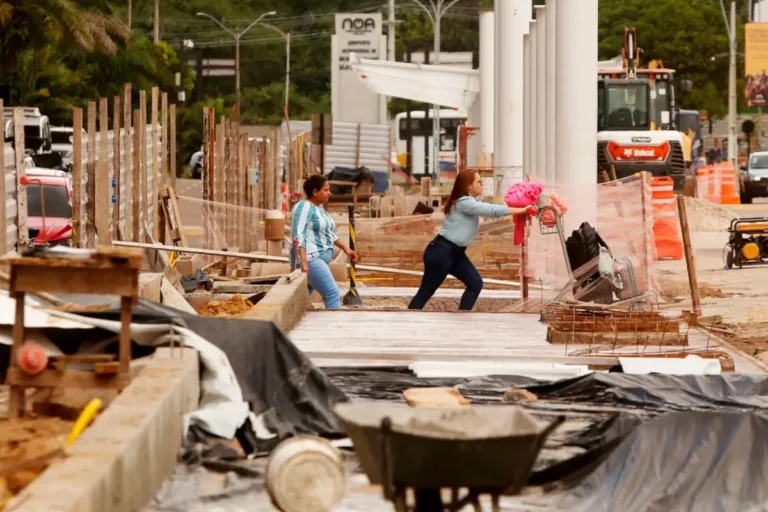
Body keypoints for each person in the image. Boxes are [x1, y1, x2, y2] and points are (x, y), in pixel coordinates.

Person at [408, 170, 537, 311]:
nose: (482, 184)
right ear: (469, 186)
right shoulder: (463, 203)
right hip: (441, 252)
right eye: (479, 182)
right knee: (425, 292)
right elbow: (491, 210)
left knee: (475, 284)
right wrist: (522, 210)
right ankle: (409, 320)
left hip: (456, 254)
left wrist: (525, 191)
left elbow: (494, 207)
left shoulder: (472, 202)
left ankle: (463, 317)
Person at [291, 175, 359, 309]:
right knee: (332, 293)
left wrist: (346, 249)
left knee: (301, 302)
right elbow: (298, 235)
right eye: (326, 190)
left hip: (319, 260)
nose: (330, 193)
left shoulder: (319, 208)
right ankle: (334, 327)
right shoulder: (304, 207)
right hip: (312, 259)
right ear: (315, 192)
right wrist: (304, 263)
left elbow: (330, 234)